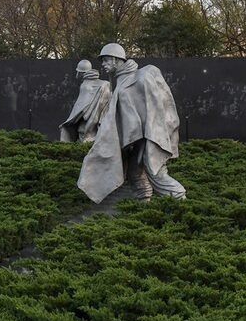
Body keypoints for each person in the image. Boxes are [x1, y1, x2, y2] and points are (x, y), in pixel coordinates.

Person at [78, 43, 186, 203]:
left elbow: (157, 109)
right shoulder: (122, 81)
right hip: (137, 140)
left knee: (156, 173)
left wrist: (151, 136)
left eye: (106, 60)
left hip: (150, 137)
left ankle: (181, 203)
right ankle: (144, 208)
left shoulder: (141, 77)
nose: (103, 65)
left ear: (115, 59)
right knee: (135, 173)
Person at [59, 59, 111, 142]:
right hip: (97, 128)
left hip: (86, 127)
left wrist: (69, 121)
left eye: (78, 72)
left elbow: (80, 108)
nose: (77, 74)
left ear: (81, 73)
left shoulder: (85, 85)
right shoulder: (105, 84)